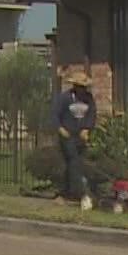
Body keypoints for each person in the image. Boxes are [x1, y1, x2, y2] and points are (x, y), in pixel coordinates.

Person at [52, 67, 97, 209]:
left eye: (85, 87)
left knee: (77, 164)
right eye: (80, 87)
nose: (83, 90)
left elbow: (91, 115)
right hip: (67, 136)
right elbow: (54, 115)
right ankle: (81, 193)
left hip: (80, 137)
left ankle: (71, 191)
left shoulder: (89, 99)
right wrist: (60, 129)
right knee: (73, 161)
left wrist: (86, 129)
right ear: (75, 87)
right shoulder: (64, 98)